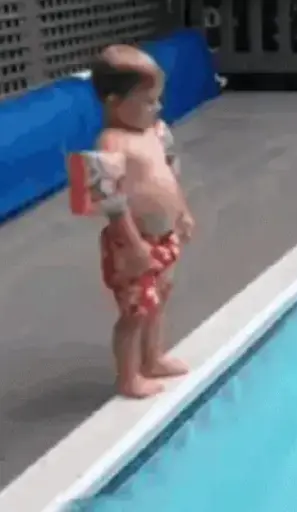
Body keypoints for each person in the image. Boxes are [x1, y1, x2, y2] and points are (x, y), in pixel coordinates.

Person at [82, 44, 195, 398]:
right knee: (134, 312)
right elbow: (110, 202)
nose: (157, 107)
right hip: (132, 243)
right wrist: (133, 245)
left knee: (158, 300)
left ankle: (153, 357)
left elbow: (170, 174)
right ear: (113, 102)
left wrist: (183, 212)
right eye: (147, 101)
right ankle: (129, 377)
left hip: (163, 237)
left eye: (158, 98)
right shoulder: (109, 144)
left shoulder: (155, 131)